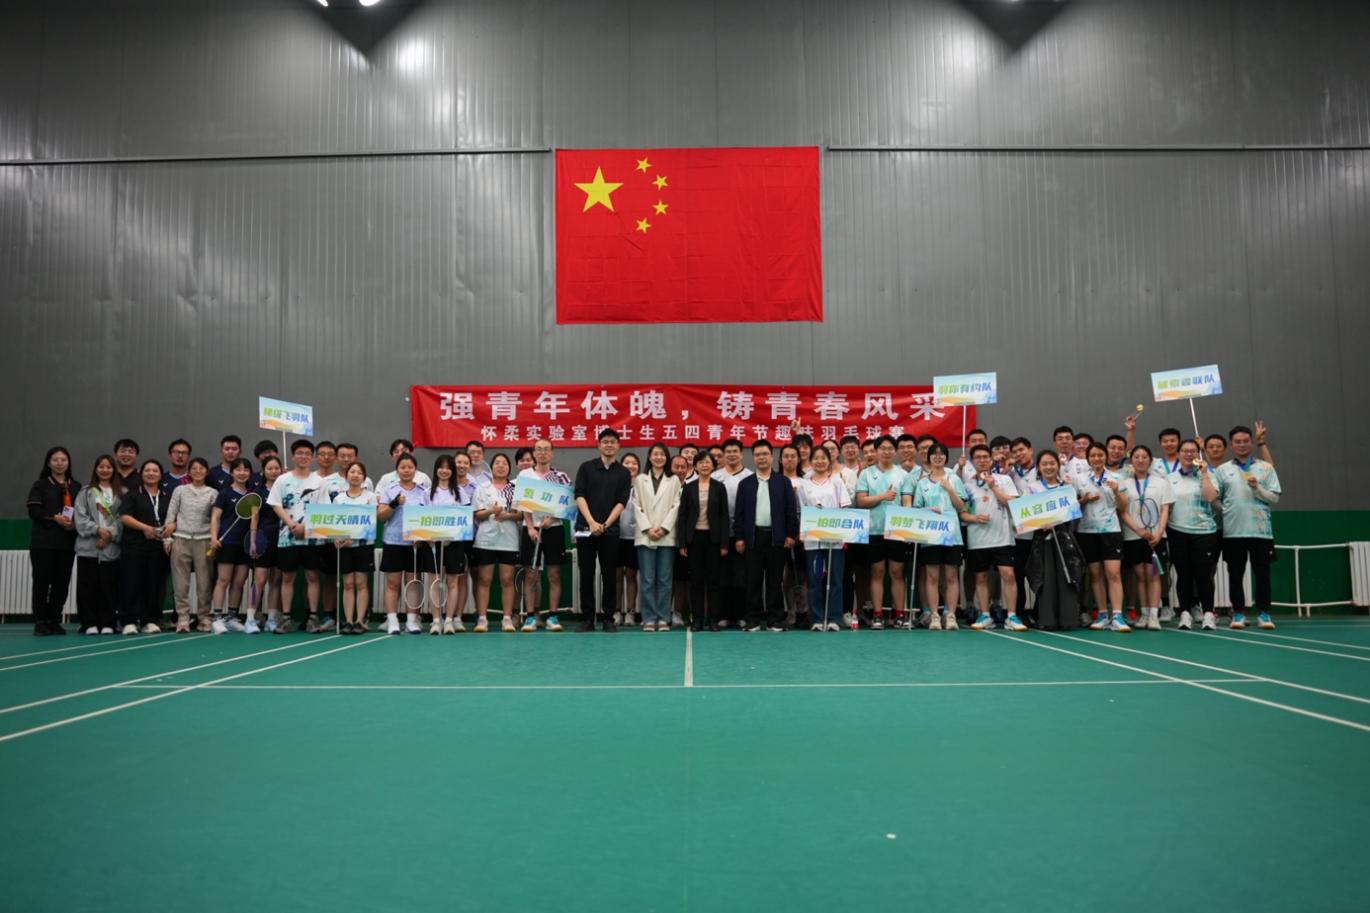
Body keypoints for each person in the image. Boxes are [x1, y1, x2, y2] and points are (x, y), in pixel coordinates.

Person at [1213, 425, 1281, 630]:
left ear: (1251, 443)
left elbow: (1274, 498)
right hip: (1233, 532)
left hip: (1261, 532)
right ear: (1231, 445)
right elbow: (1215, 498)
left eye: (1245, 441)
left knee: (1262, 575)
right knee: (1235, 575)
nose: (1242, 444)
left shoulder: (1266, 468)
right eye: (1237, 442)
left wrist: (1257, 488)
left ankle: (1264, 614)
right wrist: (1226, 510)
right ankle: (1238, 613)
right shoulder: (1222, 470)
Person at [733, 440, 800, 632]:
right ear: (753, 458)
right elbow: (739, 513)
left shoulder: (783, 482)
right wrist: (739, 537)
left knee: (774, 581)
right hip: (753, 537)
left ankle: (775, 620)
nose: (761, 458)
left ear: (772, 457)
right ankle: (753, 620)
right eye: (757, 454)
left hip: (776, 538)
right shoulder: (745, 484)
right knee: (752, 581)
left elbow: (790, 511)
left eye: (765, 454)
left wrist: (791, 535)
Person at [573, 429, 631, 632]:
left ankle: (608, 619)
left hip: (610, 531)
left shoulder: (623, 473)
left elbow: (622, 502)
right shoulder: (586, 467)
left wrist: (605, 525)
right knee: (586, 574)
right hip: (585, 529)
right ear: (598, 445)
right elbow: (579, 495)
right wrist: (591, 522)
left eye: (613, 442)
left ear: (618, 446)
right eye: (605, 441)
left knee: (609, 575)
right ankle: (588, 619)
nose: (609, 445)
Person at [908, 442, 970, 630]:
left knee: (951, 576)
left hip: (952, 536)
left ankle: (950, 615)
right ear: (928, 457)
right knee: (932, 577)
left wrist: (950, 489)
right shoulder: (922, 483)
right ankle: (934, 615)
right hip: (930, 536)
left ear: (946, 457)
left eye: (941, 454)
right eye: (934, 454)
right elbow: (917, 510)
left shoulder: (954, 479)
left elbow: (962, 507)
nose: (937, 457)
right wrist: (929, 510)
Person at [963, 444, 1025, 632]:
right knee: (980, 577)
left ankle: (1012, 616)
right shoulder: (967, 485)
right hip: (977, 538)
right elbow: (962, 513)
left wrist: (993, 487)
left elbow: (1013, 503)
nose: (982, 460)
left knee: (1008, 575)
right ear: (973, 462)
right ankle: (985, 615)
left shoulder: (1004, 479)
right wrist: (974, 518)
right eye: (978, 457)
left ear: (991, 460)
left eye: (985, 457)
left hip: (1002, 537)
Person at [267, 440, 323, 633]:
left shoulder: (319, 481)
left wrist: (306, 526)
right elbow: (276, 505)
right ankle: (286, 618)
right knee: (287, 577)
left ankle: (313, 617)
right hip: (287, 536)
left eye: (307, 453)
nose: (303, 456)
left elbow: (323, 508)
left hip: (312, 537)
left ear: (312, 457)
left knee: (312, 576)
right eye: (299, 453)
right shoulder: (282, 480)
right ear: (292, 456)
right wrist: (291, 525)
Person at [1025, 451, 1085, 630]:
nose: (1048, 467)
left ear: (1058, 466)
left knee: (1067, 576)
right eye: (1044, 464)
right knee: (1046, 578)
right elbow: (1025, 515)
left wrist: (1056, 520)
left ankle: (1068, 620)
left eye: (1052, 463)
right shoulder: (1032, 488)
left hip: (1064, 537)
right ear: (1038, 467)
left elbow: (1073, 512)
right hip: (1042, 539)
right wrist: (1040, 523)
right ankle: (1047, 619)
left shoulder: (1066, 487)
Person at [1074, 442, 1130, 633]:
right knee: (1095, 574)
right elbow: (1072, 506)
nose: (1096, 459)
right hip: (1087, 532)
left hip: (1110, 530)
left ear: (1105, 456)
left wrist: (1116, 491)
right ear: (1088, 458)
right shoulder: (1080, 479)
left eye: (1100, 455)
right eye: (1093, 456)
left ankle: (1118, 615)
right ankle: (1103, 614)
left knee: (1113, 573)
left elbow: (1123, 507)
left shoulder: (1116, 477)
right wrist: (1084, 500)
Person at [518, 440, 573, 632]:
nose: (542, 453)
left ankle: (553, 616)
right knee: (530, 574)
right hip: (530, 528)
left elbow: (567, 503)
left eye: (546, 449)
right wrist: (530, 527)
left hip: (554, 528)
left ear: (552, 453)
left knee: (554, 574)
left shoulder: (560, 477)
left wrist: (552, 518)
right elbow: (523, 503)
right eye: (539, 449)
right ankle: (530, 617)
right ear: (534, 453)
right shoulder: (525, 475)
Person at [1118, 446, 1174, 631]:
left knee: (1154, 575)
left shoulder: (1161, 482)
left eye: (1144, 457)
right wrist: (1139, 531)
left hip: (1156, 536)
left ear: (1150, 461)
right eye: (1137, 457)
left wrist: (1159, 532)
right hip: (1133, 536)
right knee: (1140, 576)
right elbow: (1122, 511)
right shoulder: (1124, 483)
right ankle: (1143, 613)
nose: (1140, 460)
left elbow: (1165, 509)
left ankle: (1154, 615)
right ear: (1131, 461)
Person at [1167, 439, 1221, 630]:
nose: (1188, 454)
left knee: (1204, 575)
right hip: (1177, 531)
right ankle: (1185, 613)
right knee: (1183, 575)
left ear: (1198, 454)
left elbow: (1210, 497)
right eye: (1185, 451)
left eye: (1193, 451)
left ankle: (1208, 614)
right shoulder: (1170, 478)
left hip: (1204, 532)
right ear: (1179, 454)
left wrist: (1204, 474)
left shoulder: (1209, 475)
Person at [794, 445, 849, 631]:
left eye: (823, 458)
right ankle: (817, 618)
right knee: (815, 579)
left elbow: (844, 508)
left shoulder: (837, 482)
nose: (819, 461)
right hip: (813, 541)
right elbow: (801, 511)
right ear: (811, 461)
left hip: (835, 539)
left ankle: (834, 618)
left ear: (829, 460)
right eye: (816, 458)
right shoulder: (804, 484)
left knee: (835, 579)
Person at [855, 435, 908, 629]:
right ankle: (877, 615)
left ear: (895, 451)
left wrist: (907, 527)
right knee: (877, 572)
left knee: (897, 572)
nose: (886, 452)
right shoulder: (866, 474)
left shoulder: (903, 474)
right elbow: (861, 501)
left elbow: (907, 502)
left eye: (890, 448)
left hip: (897, 530)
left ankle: (900, 614)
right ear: (876, 451)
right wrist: (883, 496)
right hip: (874, 530)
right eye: (882, 448)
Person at [377, 454, 433, 635]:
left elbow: (428, 518)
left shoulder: (424, 491)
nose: (406, 470)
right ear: (397, 470)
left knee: (413, 583)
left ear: (415, 469)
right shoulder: (389, 489)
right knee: (393, 583)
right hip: (393, 541)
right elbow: (381, 516)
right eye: (403, 467)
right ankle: (392, 621)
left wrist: (421, 535)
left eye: (410, 467)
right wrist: (394, 503)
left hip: (415, 544)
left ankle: (411, 621)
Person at [28, 446, 80, 635]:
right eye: (55, 460)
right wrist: (54, 518)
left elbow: (82, 512)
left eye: (63, 460)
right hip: (43, 543)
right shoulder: (40, 485)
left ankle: (54, 619)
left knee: (61, 583)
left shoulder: (76, 486)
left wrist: (73, 524)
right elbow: (34, 511)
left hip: (67, 544)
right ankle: (40, 621)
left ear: (68, 463)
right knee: (42, 583)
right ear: (49, 463)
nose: (59, 463)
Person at [117, 459, 171, 634]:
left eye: (155, 471)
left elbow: (174, 517)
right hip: (134, 546)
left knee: (154, 584)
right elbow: (124, 517)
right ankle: (129, 621)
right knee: (131, 583)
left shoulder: (167, 496)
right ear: (141, 473)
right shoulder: (133, 494)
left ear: (161, 475)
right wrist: (145, 528)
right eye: (147, 470)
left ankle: (150, 620)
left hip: (157, 548)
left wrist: (172, 526)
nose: (151, 473)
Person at [164, 457, 217, 633]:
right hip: (181, 540)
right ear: (189, 472)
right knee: (180, 583)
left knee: (204, 583)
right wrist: (167, 539)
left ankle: (204, 618)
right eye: (194, 468)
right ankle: (183, 619)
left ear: (207, 472)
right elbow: (171, 514)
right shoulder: (179, 490)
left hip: (204, 541)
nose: (198, 471)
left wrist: (213, 539)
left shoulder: (213, 493)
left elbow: (215, 519)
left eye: (202, 468)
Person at [677, 451, 729, 631]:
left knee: (714, 582)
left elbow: (724, 517)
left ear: (713, 466)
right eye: (701, 462)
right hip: (694, 539)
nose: (704, 465)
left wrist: (724, 543)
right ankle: (697, 620)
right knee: (696, 581)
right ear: (695, 466)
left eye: (708, 462)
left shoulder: (719, 487)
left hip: (713, 539)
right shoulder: (689, 488)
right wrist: (682, 543)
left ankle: (713, 620)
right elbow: (682, 516)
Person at [633, 443, 682, 632]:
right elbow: (636, 505)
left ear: (667, 457)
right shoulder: (640, 479)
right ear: (649, 457)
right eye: (655, 454)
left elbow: (676, 506)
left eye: (662, 454)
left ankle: (663, 618)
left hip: (666, 536)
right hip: (645, 536)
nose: (659, 457)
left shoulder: (674, 480)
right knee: (647, 580)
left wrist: (663, 528)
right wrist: (647, 529)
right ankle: (648, 618)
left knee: (664, 579)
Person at [472, 453, 521, 633]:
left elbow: (521, 514)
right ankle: (482, 619)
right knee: (484, 579)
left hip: (509, 539)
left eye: (504, 463)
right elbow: (477, 514)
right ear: (491, 467)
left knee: (507, 580)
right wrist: (491, 511)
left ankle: (507, 618)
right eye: (497, 463)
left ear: (509, 468)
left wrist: (507, 515)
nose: (501, 466)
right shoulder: (482, 488)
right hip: (486, 539)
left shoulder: (515, 489)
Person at [74, 455, 122, 634]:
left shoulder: (120, 493)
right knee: (87, 587)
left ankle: (108, 623)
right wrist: (97, 530)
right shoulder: (85, 492)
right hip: (89, 548)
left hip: (110, 548)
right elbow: (80, 518)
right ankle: (89, 623)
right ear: (96, 469)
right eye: (101, 467)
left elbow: (122, 519)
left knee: (109, 587)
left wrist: (109, 535)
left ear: (114, 470)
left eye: (109, 467)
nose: (105, 470)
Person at [208, 458, 255, 634]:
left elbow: (254, 520)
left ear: (250, 473)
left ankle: (232, 617)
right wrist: (214, 537)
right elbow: (215, 517)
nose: (242, 473)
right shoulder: (225, 493)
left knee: (239, 582)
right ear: (232, 472)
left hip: (244, 544)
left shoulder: (252, 495)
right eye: (238, 470)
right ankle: (217, 618)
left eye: (245, 470)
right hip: (226, 542)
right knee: (223, 580)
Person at [429, 454, 473, 634]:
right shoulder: (427, 492)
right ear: (436, 470)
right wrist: (430, 537)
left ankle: (449, 620)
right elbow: (420, 519)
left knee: (453, 582)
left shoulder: (460, 493)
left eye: (448, 467)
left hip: (454, 544)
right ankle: (435, 621)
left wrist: (452, 536)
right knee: (434, 582)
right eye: (441, 467)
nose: (444, 470)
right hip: (432, 544)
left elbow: (466, 519)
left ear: (452, 471)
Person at [333, 462, 376, 635]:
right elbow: (335, 523)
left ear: (364, 477)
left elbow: (371, 522)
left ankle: (360, 621)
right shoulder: (339, 499)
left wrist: (354, 538)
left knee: (361, 583)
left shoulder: (370, 497)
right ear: (347, 475)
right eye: (352, 471)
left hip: (363, 546)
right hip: (345, 547)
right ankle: (349, 621)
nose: (355, 475)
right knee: (348, 584)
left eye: (359, 472)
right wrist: (337, 538)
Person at [714, 439, 753, 629]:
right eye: (728, 451)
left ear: (741, 454)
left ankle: (741, 615)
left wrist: (742, 536)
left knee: (741, 578)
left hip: (741, 535)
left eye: (735, 451)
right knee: (721, 577)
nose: (731, 454)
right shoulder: (715, 476)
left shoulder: (750, 477)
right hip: (720, 535)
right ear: (723, 455)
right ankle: (723, 615)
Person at [306, 440, 344, 632]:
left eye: (330, 454)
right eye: (322, 454)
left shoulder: (343, 480)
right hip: (313, 536)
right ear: (315, 457)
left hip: (334, 538)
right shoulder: (309, 479)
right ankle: (311, 615)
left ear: (335, 458)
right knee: (311, 575)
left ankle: (329, 615)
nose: (326, 457)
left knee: (331, 576)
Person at [247, 455, 285, 633]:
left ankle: (271, 618)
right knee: (259, 580)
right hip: (263, 539)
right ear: (263, 471)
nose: (273, 471)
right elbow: (254, 518)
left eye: (276, 468)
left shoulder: (285, 490)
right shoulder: (258, 492)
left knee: (276, 580)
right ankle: (250, 619)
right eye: (270, 468)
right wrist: (253, 541)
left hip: (282, 539)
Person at [1007, 436, 1038, 625]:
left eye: (1022, 450)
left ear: (1030, 449)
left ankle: (1040, 613)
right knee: (1017, 576)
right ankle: (1019, 613)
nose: (1019, 454)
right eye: (1015, 452)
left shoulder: (1041, 470)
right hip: (1017, 534)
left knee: (1038, 576)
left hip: (1038, 533)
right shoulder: (1010, 473)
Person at [779, 444, 807, 624]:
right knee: (786, 575)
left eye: (793, 456)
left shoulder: (806, 482)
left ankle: (803, 611)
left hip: (803, 535)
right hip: (780, 536)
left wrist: (800, 533)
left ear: (798, 459)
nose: (789, 459)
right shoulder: (775, 481)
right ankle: (790, 611)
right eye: (786, 456)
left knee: (803, 574)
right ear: (780, 459)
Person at [614, 452, 641, 627]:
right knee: (616, 575)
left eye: (634, 463)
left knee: (631, 575)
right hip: (615, 536)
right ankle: (617, 611)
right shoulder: (614, 485)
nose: (631, 466)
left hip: (634, 537)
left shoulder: (642, 486)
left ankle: (631, 612)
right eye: (627, 462)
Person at [669, 454, 693, 627]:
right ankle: (668, 613)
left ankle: (687, 612)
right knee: (667, 580)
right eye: (676, 467)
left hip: (686, 541)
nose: (679, 470)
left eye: (683, 467)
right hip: (665, 539)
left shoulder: (692, 488)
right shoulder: (663, 488)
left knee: (685, 578)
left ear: (688, 469)